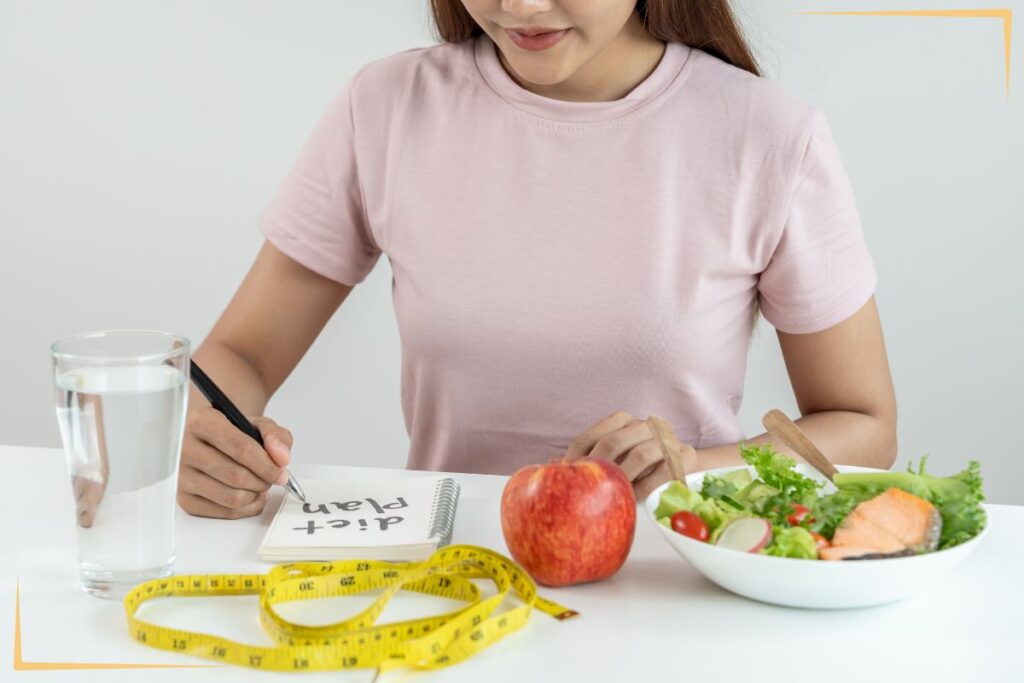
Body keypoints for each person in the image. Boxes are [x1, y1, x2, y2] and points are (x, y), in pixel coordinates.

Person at [178, 0, 897, 519]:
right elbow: (238, 357)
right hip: (448, 577)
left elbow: (864, 424)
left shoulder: (769, 136)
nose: (517, 6)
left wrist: (698, 468)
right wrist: (203, 440)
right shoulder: (388, 108)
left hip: (672, 572)